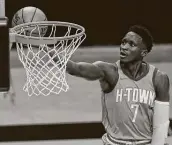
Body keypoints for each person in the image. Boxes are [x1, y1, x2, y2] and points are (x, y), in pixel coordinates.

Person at [50, 25, 170, 145]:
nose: (124, 47)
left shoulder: (159, 78)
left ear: (143, 52)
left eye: (131, 44)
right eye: (123, 42)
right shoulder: (109, 72)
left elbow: (161, 124)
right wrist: (50, 51)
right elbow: (77, 69)